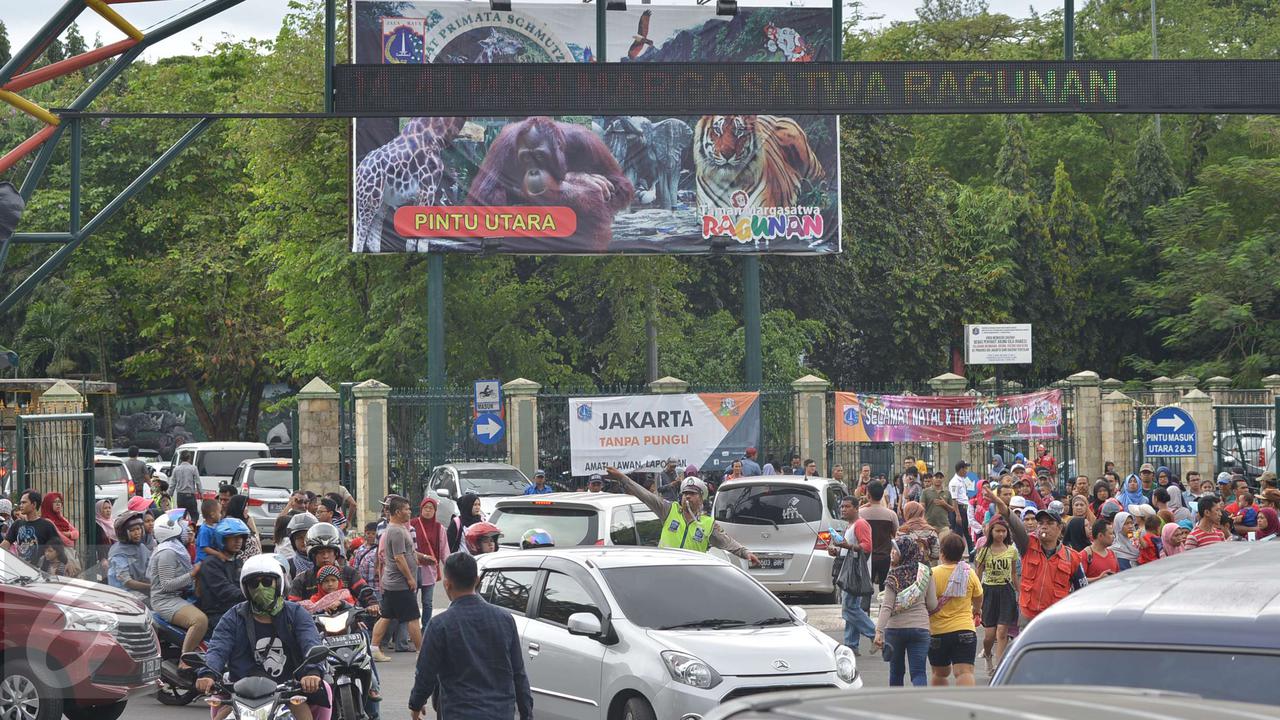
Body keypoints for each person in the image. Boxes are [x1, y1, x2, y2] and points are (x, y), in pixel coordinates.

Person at [194, 555, 330, 720]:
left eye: (266, 582)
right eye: (254, 583)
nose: (260, 588)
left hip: (287, 692)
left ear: (278, 584)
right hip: (241, 693)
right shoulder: (233, 616)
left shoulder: (296, 613)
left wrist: (312, 672)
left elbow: (310, 642)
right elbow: (218, 648)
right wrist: (207, 673)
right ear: (246, 588)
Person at [407, 553, 532, 720]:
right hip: (501, 712)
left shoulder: (440, 624)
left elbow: (425, 673)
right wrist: (527, 714)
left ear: (447, 585)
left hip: (459, 712)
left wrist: (416, 704)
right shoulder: (505, 619)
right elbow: (518, 674)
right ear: (477, 580)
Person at [606, 466, 759, 565]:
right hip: (663, 571)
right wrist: (622, 478)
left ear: (701, 498)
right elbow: (645, 495)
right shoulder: (668, 510)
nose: (687, 497)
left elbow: (728, 542)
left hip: (691, 576)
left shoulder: (707, 524)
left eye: (692, 494)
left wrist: (746, 553)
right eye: (685, 493)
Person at [984, 487, 1086, 627]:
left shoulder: (1072, 557)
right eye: (1041, 523)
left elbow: (1082, 590)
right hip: (1028, 617)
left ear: (1060, 528)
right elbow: (1014, 524)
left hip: (1055, 619)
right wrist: (1002, 507)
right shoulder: (1027, 544)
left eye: (1049, 523)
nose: (1044, 527)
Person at [874, 535, 937, 687]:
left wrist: (879, 632)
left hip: (895, 630)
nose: (892, 554)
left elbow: (887, 607)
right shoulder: (926, 573)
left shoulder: (893, 576)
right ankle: (920, 705)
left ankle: (896, 706)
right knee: (919, 672)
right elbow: (932, 604)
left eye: (895, 551)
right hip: (920, 629)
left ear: (903, 552)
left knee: (896, 672)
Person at [148, 511, 208, 662]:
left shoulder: (177, 548)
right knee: (200, 620)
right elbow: (167, 585)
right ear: (171, 528)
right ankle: (185, 660)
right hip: (165, 600)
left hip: (177, 596)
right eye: (182, 524)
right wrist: (192, 574)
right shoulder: (168, 552)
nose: (187, 528)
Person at [928, 533, 982, 687]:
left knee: (939, 673)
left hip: (937, 631)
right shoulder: (968, 572)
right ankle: (964, 705)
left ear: (942, 553)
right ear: (961, 553)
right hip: (964, 628)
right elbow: (979, 595)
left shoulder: (933, 573)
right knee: (964, 672)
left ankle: (942, 706)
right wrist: (976, 610)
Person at [371, 495, 420, 661]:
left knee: (386, 616)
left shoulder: (400, 528)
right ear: (398, 512)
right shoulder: (396, 531)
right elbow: (399, 558)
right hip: (399, 584)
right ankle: (422, 652)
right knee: (413, 617)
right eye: (406, 509)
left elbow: (407, 553)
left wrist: (423, 557)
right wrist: (410, 579)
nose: (409, 512)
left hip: (393, 583)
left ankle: (374, 648)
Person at [828, 496, 875, 655]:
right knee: (851, 606)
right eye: (842, 506)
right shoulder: (850, 525)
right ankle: (851, 645)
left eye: (847, 506)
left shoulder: (861, 524)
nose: (843, 509)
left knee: (849, 607)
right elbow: (850, 548)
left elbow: (866, 547)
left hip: (855, 572)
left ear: (856, 508)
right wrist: (838, 550)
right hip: (849, 569)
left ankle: (875, 635)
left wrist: (847, 546)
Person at [976, 516, 1018, 675]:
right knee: (989, 635)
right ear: (990, 532)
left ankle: (1000, 668)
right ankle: (987, 654)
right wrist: (976, 598)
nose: (1000, 534)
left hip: (1006, 591)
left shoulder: (1012, 550)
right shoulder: (984, 551)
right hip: (989, 592)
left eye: (1003, 531)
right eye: (997, 531)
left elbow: (1014, 573)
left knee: (1002, 632)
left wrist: (1018, 592)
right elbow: (978, 574)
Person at [200, 518, 250, 626]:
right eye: (233, 537)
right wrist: (251, 595)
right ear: (222, 539)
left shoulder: (238, 561)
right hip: (218, 614)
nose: (238, 541)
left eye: (241, 537)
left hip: (237, 608)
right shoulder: (211, 564)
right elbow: (225, 591)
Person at [409, 497, 447, 630]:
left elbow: (443, 548)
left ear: (435, 511)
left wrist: (448, 567)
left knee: (427, 602)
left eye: (431, 508)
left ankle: (426, 628)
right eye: (426, 508)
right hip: (413, 568)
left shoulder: (439, 528)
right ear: (421, 509)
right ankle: (411, 629)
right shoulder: (412, 524)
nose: (428, 511)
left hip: (429, 570)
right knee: (412, 602)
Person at [861, 481, 899, 607]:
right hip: (884, 557)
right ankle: (884, 614)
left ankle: (864, 615)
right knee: (885, 589)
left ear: (868, 495)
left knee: (865, 589)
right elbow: (896, 534)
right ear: (882, 495)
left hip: (866, 557)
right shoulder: (890, 514)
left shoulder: (861, 514)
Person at [1, 490, 61, 565]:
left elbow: (59, 548)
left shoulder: (47, 525)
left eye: (24, 502)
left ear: (34, 504)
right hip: (21, 570)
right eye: (20, 503)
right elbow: (5, 544)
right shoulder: (17, 524)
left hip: (41, 572)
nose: (21, 505)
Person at [107, 510, 152, 602]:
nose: (137, 533)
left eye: (138, 529)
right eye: (132, 530)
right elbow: (127, 582)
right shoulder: (119, 553)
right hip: (123, 593)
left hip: (140, 588)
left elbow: (151, 567)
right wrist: (151, 587)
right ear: (124, 533)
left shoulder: (142, 547)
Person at [898, 500, 940, 567]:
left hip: (905, 569)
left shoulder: (902, 531)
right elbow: (936, 554)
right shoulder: (930, 531)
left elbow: (897, 553)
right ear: (921, 513)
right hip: (924, 569)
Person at [224, 494, 263, 560]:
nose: (247, 510)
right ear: (238, 507)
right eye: (245, 506)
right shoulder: (231, 525)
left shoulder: (244, 523)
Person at [285, 512, 320, 578]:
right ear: (293, 542)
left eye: (307, 537)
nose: (303, 541)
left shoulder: (325, 561)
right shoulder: (289, 566)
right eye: (299, 538)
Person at [170, 455, 202, 524]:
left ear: (181, 459)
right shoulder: (193, 468)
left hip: (180, 496)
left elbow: (173, 483)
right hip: (190, 496)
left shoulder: (176, 469)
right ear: (189, 459)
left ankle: (182, 530)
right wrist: (201, 493)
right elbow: (198, 482)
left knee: (181, 516)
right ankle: (192, 529)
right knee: (194, 515)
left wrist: (170, 494)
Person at [195, 498, 225, 564]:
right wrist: (219, 554)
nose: (221, 515)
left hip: (210, 559)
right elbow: (205, 548)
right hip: (203, 561)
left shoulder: (215, 526)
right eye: (219, 512)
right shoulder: (204, 530)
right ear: (212, 515)